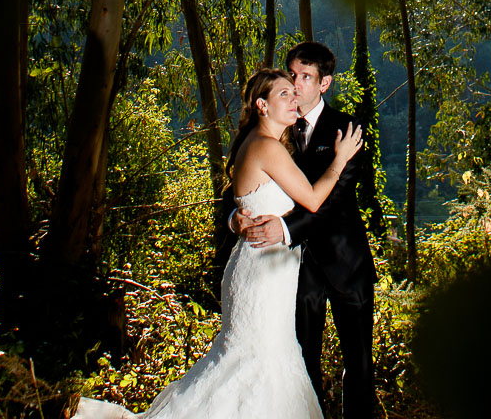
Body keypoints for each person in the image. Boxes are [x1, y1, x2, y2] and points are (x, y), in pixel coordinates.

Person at [71, 67, 364, 419]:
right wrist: (341, 158)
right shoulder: (267, 148)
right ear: (262, 105)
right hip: (263, 277)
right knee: (260, 363)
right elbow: (314, 201)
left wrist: (236, 218)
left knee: (252, 361)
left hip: (263, 269)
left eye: (295, 91)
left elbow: (242, 200)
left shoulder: (257, 143)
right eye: (283, 94)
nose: (293, 98)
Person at [231, 42, 378, 419]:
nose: (295, 85)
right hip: (294, 271)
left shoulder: (348, 129)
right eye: (291, 75)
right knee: (299, 363)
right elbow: (247, 187)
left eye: (305, 77)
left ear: (325, 83)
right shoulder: (277, 128)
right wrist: (237, 218)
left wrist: (284, 228)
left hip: (346, 263)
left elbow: (331, 201)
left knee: (359, 367)